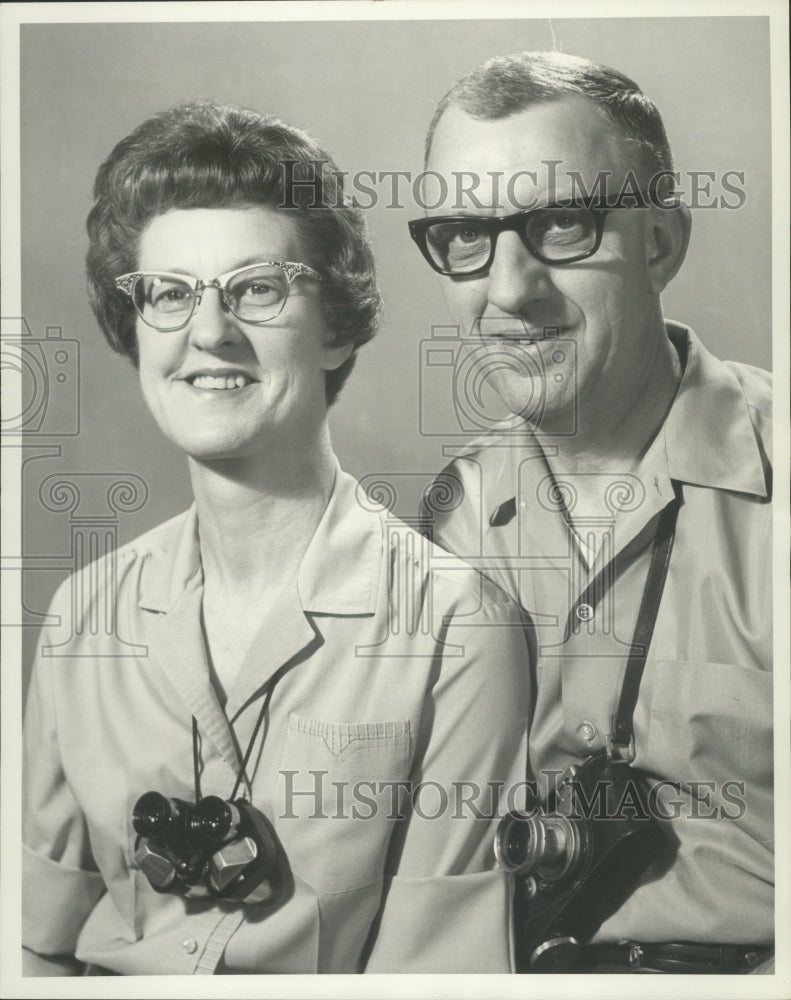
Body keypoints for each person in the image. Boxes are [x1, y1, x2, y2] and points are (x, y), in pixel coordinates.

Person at [21, 101, 531, 976]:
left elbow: (433, 978)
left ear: (334, 326)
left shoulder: (456, 625)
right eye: (169, 294)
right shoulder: (83, 615)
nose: (207, 332)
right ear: (134, 325)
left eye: (257, 287)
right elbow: (29, 944)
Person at [410, 51, 773, 974]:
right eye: (466, 235)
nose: (508, 290)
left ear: (660, 243)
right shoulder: (448, 514)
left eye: (562, 224)